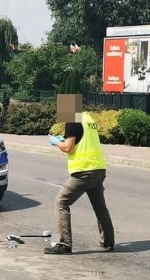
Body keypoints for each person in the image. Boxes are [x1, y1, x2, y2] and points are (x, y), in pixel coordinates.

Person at [44, 94, 115, 255]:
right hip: (98, 169)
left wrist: (56, 142)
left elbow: (68, 148)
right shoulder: (87, 119)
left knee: (61, 202)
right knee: (99, 207)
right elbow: (81, 141)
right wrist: (65, 139)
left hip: (84, 172)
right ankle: (108, 241)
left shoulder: (72, 121)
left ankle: (64, 244)